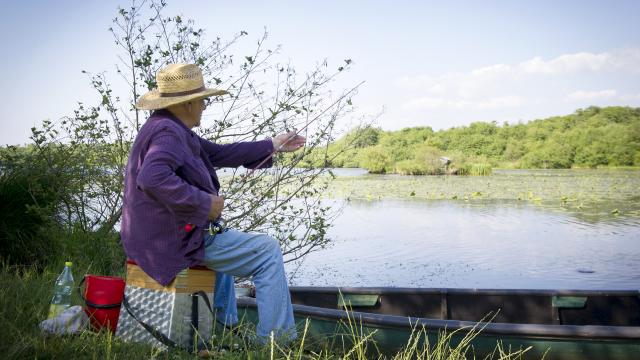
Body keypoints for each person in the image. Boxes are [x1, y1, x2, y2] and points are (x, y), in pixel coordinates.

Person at [120, 63, 305, 343]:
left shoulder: (169, 127)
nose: (205, 106)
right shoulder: (167, 133)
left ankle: (220, 330)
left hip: (161, 235)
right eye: (203, 100)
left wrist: (272, 144)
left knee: (227, 247)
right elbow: (153, 177)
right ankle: (276, 342)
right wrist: (204, 204)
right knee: (267, 251)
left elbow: (218, 153)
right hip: (170, 240)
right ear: (189, 102)